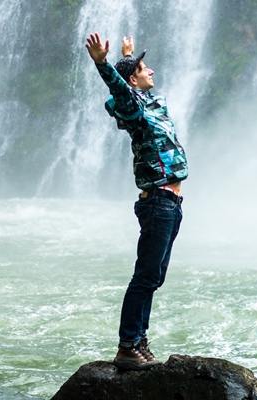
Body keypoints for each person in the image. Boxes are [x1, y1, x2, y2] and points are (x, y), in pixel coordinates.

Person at [85, 32, 188, 370]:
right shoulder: (134, 108)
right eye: (145, 69)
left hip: (171, 204)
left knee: (153, 277)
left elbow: (133, 88)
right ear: (133, 80)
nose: (152, 71)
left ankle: (138, 340)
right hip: (158, 201)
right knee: (145, 277)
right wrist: (104, 64)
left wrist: (129, 58)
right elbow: (120, 93)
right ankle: (128, 345)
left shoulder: (152, 103)